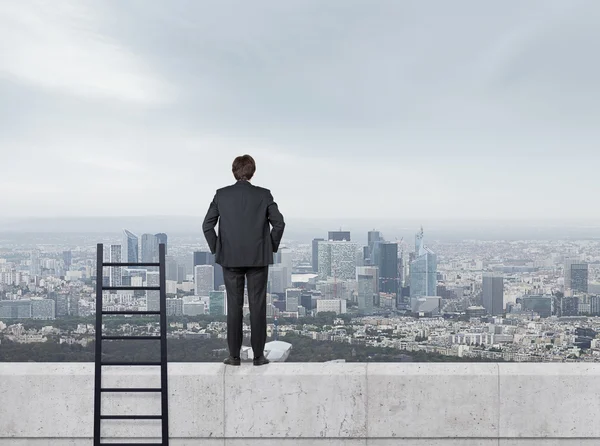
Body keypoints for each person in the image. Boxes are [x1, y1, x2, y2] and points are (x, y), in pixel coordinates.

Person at [202, 155, 285, 366]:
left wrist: (218, 249)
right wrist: (269, 247)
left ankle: (234, 356)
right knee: (258, 307)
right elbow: (279, 224)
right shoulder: (263, 195)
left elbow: (207, 226)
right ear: (252, 171)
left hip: (230, 259)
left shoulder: (221, 195)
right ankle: (258, 356)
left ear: (234, 171)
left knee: (234, 307)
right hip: (258, 258)